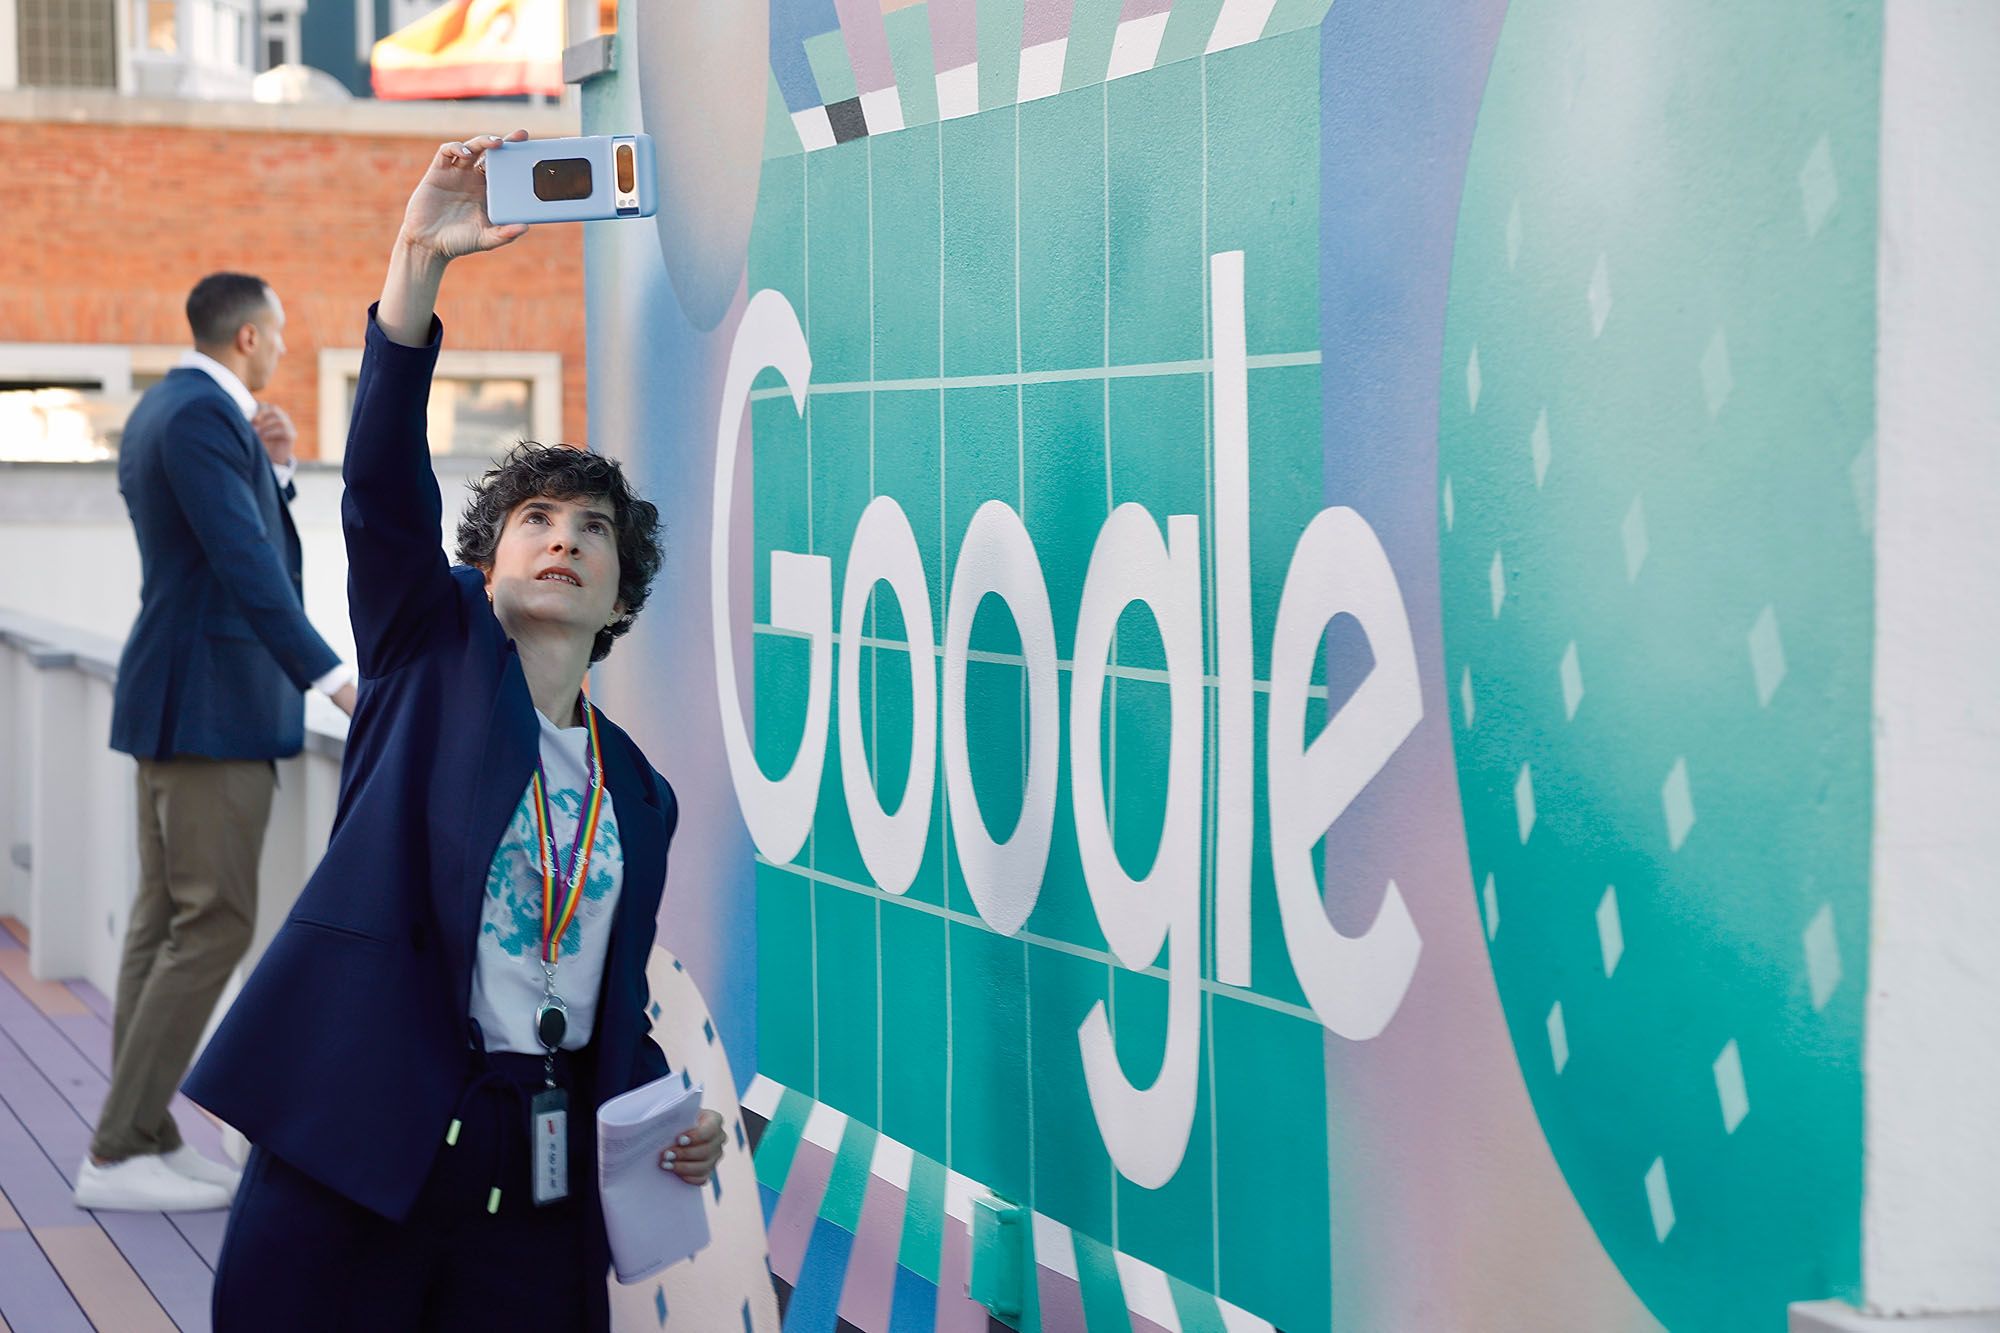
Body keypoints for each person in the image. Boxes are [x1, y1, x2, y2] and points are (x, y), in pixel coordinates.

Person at [184, 131, 727, 1330]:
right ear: (484, 564)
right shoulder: (428, 655)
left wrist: (671, 1114)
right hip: (358, 1140)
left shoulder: (637, 792)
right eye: (535, 516)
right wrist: (417, 263)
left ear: (618, 597)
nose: (566, 537)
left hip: (531, 1174)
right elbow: (381, 484)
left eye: (595, 530)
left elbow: (605, 995)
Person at [81, 272, 358, 1214]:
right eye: (278, 332)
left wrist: (275, 468)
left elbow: (217, 544)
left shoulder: (168, 408)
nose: (284, 346)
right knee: (214, 923)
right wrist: (332, 675)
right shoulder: (203, 417)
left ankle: (147, 1130)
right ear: (247, 337)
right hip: (212, 703)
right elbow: (245, 563)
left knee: (164, 919)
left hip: (176, 695)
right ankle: (119, 1150)